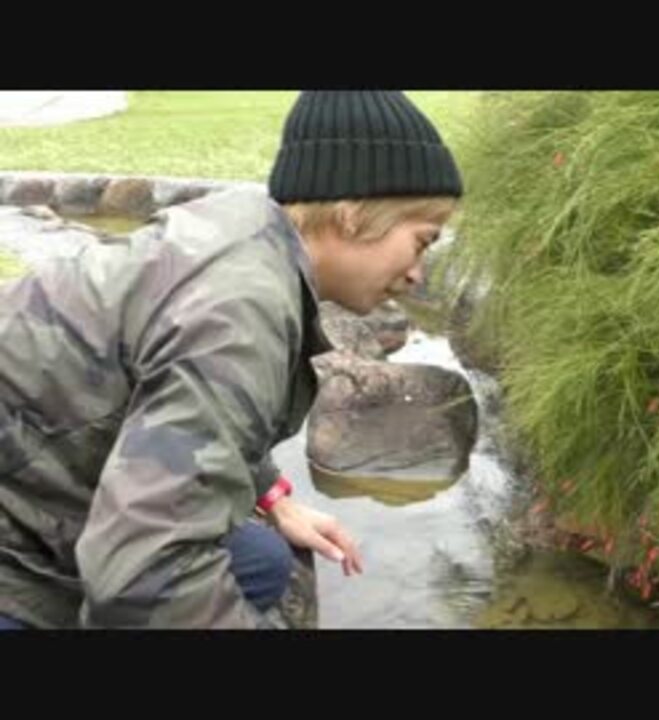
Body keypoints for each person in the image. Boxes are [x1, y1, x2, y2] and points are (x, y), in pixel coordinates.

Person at [0, 90, 463, 628]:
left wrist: (273, 496)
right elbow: (144, 575)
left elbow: (179, 402)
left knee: (262, 562)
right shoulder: (238, 312)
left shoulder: (249, 232)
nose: (417, 275)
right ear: (354, 215)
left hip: (41, 482)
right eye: (422, 241)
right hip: (18, 540)